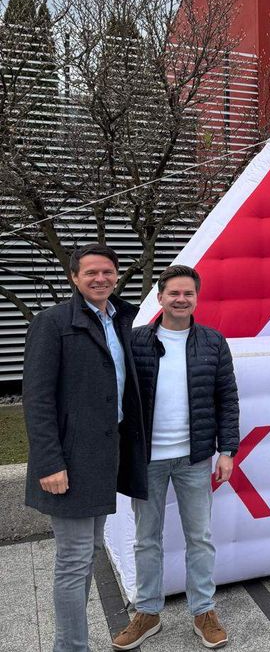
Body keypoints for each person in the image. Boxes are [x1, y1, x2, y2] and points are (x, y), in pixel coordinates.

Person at [23, 243, 148, 652]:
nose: (100, 279)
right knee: (75, 561)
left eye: (108, 272)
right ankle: (70, 647)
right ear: (74, 278)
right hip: (70, 462)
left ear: (116, 275)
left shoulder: (123, 318)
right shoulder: (53, 322)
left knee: (89, 549)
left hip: (106, 455)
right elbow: (37, 398)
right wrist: (49, 462)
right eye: (91, 272)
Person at [112, 264, 239, 651]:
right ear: (161, 296)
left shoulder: (213, 342)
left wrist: (227, 450)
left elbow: (226, 399)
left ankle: (203, 610)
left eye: (188, 293)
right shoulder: (133, 341)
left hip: (195, 458)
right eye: (174, 293)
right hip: (147, 459)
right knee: (146, 539)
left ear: (196, 298)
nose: (181, 300)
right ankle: (148, 612)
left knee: (199, 537)